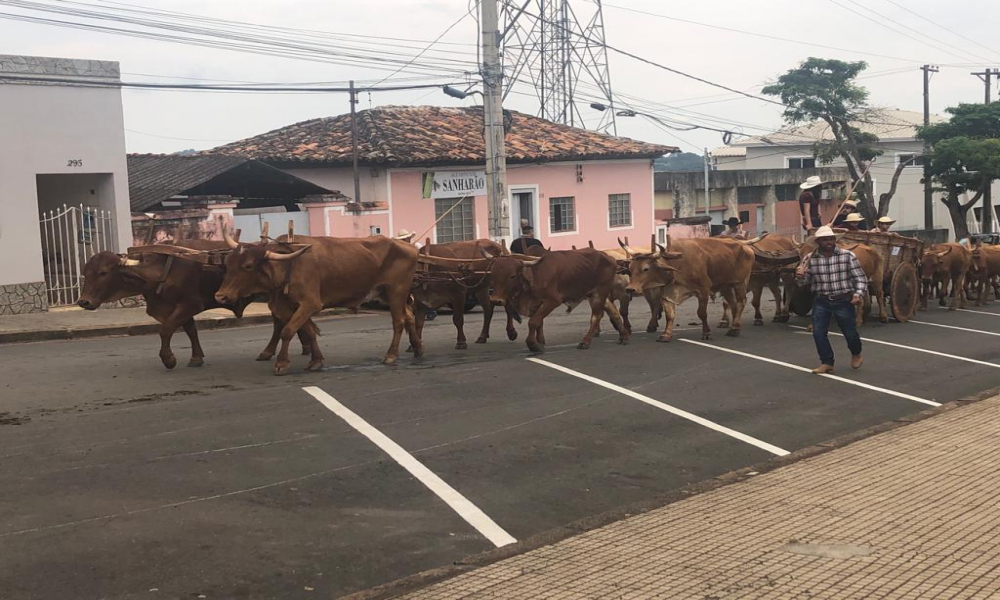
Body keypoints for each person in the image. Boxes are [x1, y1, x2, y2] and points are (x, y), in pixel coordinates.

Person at [795, 225, 866, 374]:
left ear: (835, 240)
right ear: (818, 242)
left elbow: (860, 277)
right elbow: (804, 283)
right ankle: (827, 362)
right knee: (818, 333)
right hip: (822, 299)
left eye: (831, 239)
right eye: (825, 239)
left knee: (850, 332)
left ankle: (856, 353)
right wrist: (800, 276)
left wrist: (858, 294)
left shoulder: (847, 256)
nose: (829, 242)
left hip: (843, 299)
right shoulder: (809, 259)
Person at [397, 229, 435, 320]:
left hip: (419, 272)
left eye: (406, 238)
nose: (405, 240)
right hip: (408, 273)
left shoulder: (417, 246)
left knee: (420, 293)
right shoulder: (401, 248)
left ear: (409, 238)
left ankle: (431, 311)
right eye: (403, 239)